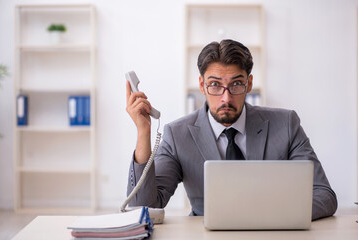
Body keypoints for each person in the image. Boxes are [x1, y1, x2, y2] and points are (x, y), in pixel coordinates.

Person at [125, 39, 337, 220]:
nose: (226, 98)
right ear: (201, 85)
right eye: (215, 85)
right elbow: (143, 208)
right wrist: (143, 132)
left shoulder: (286, 124)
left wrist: (268, 217)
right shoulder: (177, 135)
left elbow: (324, 195)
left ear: (249, 83)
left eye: (236, 84)